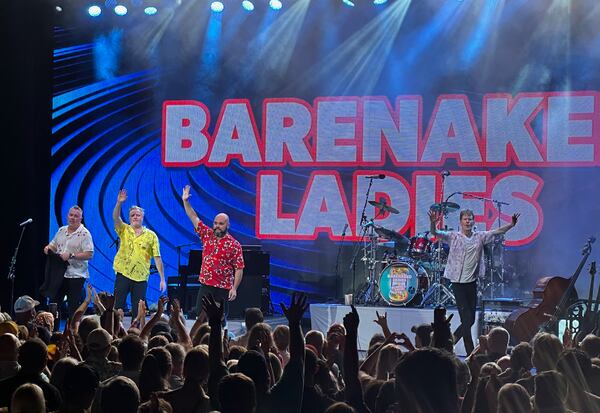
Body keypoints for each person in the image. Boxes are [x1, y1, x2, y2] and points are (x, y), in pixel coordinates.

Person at [429, 208, 519, 355]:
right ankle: (470, 353)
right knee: (466, 321)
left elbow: (496, 232)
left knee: (469, 321)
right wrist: (432, 223)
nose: (468, 222)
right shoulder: (454, 236)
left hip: (471, 283)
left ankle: (449, 342)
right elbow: (436, 233)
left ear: (474, 221)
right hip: (458, 283)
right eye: (465, 219)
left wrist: (511, 225)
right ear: (460, 222)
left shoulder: (479, 237)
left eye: (470, 219)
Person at [181, 185, 244, 325]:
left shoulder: (234, 244)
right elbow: (193, 216)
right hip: (206, 284)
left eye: (221, 224)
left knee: (220, 319)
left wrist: (234, 288)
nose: (217, 226)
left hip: (223, 287)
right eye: (215, 223)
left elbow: (239, 268)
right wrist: (186, 201)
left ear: (227, 225)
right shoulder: (207, 235)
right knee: (201, 317)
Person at [112, 189, 166, 319]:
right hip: (123, 273)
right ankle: (115, 333)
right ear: (129, 218)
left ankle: (136, 334)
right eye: (132, 215)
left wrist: (162, 279)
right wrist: (119, 203)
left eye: (138, 215)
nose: (135, 217)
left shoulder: (151, 235)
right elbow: (115, 217)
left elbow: (157, 258)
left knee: (138, 310)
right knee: (117, 307)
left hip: (141, 277)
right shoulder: (124, 229)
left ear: (142, 217)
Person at [43, 205, 94, 319]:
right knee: (54, 303)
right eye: (71, 215)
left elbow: (89, 254)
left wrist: (71, 255)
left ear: (80, 219)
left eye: (76, 216)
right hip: (60, 274)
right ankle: (53, 330)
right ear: (67, 216)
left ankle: (73, 333)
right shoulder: (61, 230)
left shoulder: (85, 234)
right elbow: (53, 245)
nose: (73, 218)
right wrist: (48, 248)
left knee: (73, 307)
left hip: (76, 275)